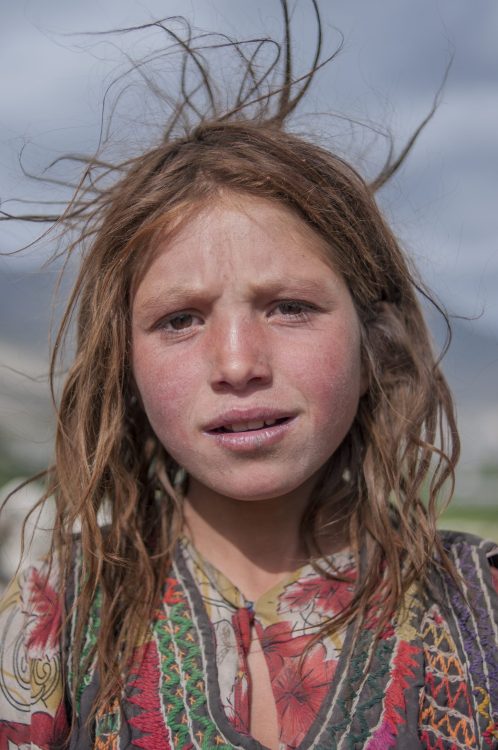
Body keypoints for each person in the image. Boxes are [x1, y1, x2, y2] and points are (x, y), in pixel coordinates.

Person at [1, 4, 497, 749]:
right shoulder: (53, 620)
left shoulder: (482, 605)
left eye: (291, 307)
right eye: (180, 319)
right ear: (124, 364)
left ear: (377, 344)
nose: (237, 364)